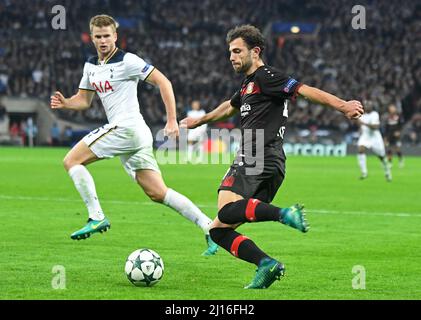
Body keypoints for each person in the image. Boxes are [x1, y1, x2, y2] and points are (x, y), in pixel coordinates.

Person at [181, 25, 364, 289]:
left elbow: (303, 90)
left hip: (256, 153)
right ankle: (266, 264)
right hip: (274, 163)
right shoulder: (248, 84)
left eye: (237, 51)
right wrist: (202, 120)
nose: (231, 57)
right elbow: (229, 108)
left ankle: (284, 214)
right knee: (219, 230)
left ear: (255, 52)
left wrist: (342, 105)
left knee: (225, 210)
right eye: (229, 52)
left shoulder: (267, 76)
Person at [50, 14, 217, 256]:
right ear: (91, 38)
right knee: (158, 192)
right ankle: (209, 227)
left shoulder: (128, 60)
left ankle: (96, 216)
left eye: (107, 36)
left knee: (71, 160)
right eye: (98, 36)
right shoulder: (91, 65)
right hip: (133, 135)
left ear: (115, 36)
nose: (103, 40)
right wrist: (66, 103)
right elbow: (84, 100)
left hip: (127, 127)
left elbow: (164, 82)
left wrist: (171, 120)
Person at [356, 101, 392, 181]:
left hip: (375, 138)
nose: (367, 106)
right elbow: (360, 126)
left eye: (369, 105)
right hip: (365, 136)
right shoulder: (362, 115)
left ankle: (387, 172)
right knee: (360, 149)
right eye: (366, 105)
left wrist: (363, 124)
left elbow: (375, 127)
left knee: (381, 157)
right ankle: (364, 172)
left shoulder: (375, 114)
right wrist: (360, 129)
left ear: (372, 107)